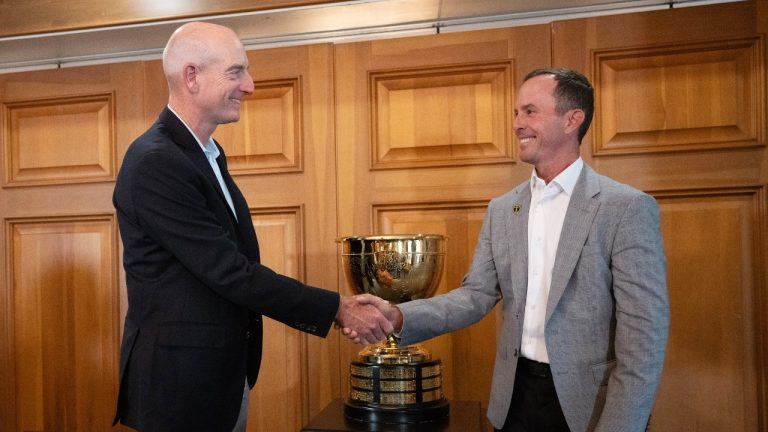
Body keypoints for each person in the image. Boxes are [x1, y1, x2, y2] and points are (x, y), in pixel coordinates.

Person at [112, 22, 392, 432]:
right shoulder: (157, 162)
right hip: (181, 389)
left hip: (219, 377)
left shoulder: (205, 153)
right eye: (235, 72)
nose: (250, 86)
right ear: (192, 76)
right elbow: (230, 272)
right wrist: (336, 308)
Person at [355, 68, 670, 432]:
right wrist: (397, 316)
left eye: (530, 112)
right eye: (517, 113)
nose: (518, 123)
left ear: (573, 119)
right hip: (513, 403)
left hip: (590, 409)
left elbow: (644, 337)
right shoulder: (503, 209)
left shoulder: (626, 208)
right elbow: (475, 296)